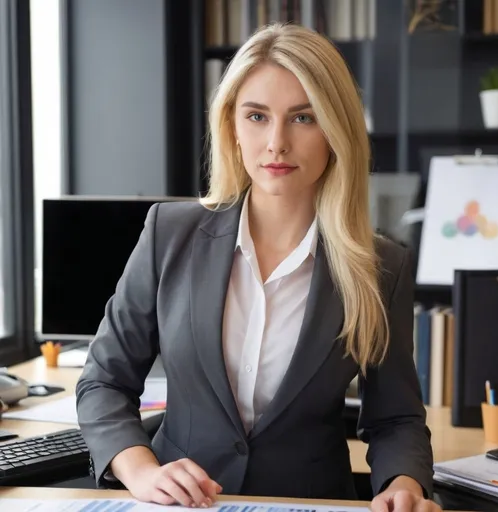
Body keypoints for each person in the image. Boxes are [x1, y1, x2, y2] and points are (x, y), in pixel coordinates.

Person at [76, 22, 440, 512]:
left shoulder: (381, 267)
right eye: (256, 116)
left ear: (336, 131)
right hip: (179, 506)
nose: (276, 143)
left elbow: (395, 418)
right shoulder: (170, 232)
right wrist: (140, 469)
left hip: (309, 504)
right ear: (232, 126)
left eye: (303, 118)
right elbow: (104, 380)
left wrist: (404, 485)